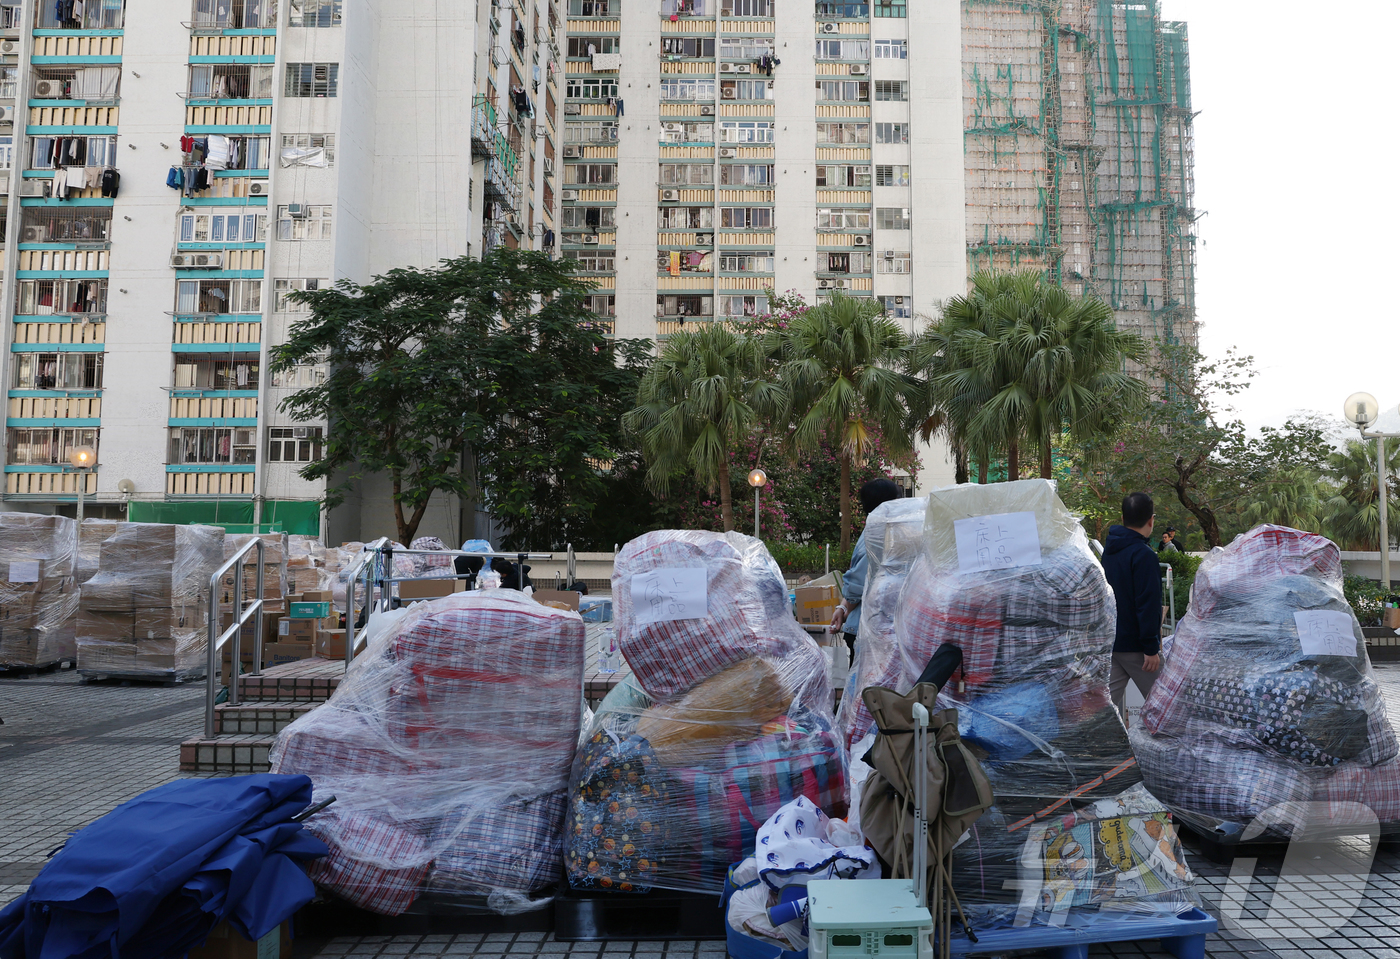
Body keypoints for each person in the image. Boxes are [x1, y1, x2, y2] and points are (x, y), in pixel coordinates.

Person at [1102, 491, 1163, 715]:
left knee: (1106, 709)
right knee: (1167, 705)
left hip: (1113, 643)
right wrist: (1151, 647)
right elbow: (1147, 603)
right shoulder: (1144, 555)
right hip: (1138, 648)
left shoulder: (1109, 551)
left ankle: (1102, 747)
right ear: (1151, 520)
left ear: (1123, 517)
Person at [830, 478, 904, 654]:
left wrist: (842, 608)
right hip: (872, 630)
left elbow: (858, 583)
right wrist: (843, 608)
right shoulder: (879, 535)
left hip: (876, 628)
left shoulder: (878, 530)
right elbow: (858, 584)